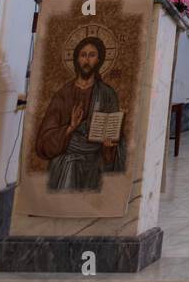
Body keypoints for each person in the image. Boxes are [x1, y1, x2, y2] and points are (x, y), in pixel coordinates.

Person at [34, 36, 126, 192]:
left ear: (99, 60)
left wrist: (108, 146)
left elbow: (113, 134)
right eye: (83, 55)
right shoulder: (63, 94)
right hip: (66, 159)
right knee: (71, 165)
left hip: (96, 159)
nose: (87, 60)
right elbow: (44, 141)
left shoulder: (107, 94)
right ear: (76, 59)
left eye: (92, 55)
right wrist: (70, 127)